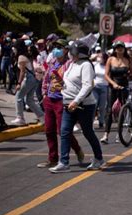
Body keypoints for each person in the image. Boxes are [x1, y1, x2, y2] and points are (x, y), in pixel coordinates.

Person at [49, 40, 105, 173]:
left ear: (78, 53)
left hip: (84, 105)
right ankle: (64, 163)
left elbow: (87, 86)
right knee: (65, 132)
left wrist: (76, 101)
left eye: (71, 50)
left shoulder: (86, 65)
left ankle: (99, 158)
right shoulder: (73, 64)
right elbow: (72, 83)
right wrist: (61, 85)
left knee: (87, 132)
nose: (68, 52)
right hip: (68, 103)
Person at [38, 39, 85, 168]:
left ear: (66, 50)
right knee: (49, 130)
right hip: (49, 99)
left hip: (62, 100)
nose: (56, 49)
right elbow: (46, 79)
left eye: (60, 47)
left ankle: (76, 149)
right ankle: (53, 158)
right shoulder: (52, 62)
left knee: (62, 130)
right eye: (55, 47)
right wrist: (44, 93)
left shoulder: (70, 64)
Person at [100, 41, 132, 143]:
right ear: (114, 49)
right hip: (112, 86)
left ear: (124, 49)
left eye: (121, 47)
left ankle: (120, 134)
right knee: (110, 110)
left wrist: (128, 73)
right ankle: (106, 134)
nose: (119, 49)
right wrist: (113, 84)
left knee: (123, 109)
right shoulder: (110, 59)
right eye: (117, 47)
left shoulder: (128, 60)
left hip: (124, 86)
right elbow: (105, 75)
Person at [11, 39, 44, 125]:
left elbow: (22, 72)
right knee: (29, 100)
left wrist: (18, 83)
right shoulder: (27, 55)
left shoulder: (21, 57)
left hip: (28, 79)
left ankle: (20, 118)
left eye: (14, 47)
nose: (13, 49)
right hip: (33, 79)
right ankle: (42, 118)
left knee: (18, 97)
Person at [92, 49, 108, 128]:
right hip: (95, 87)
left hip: (104, 87)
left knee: (102, 106)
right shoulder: (94, 65)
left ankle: (101, 121)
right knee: (94, 105)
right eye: (98, 57)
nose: (99, 58)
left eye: (101, 57)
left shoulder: (107, 66)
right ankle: (90, 122)